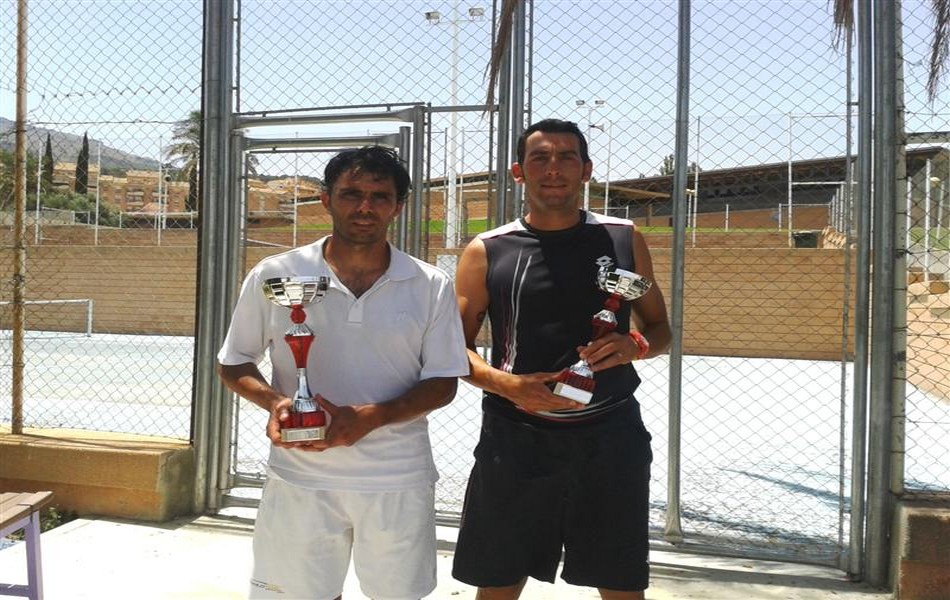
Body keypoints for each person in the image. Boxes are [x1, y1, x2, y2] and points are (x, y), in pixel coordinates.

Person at [217, 146, 469, 600]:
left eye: (379, 196)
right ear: (326, 200)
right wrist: (277, 403)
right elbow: (233, 361)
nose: (365, 207)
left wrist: (372, 416)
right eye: (351, 194)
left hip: (396, 478)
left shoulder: (430, 284)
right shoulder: (277, 274)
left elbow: (442, 383)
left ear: (398, 206)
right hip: (300, 475)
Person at [451, 119, 671, 600]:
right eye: (540, 158)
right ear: (518, 171)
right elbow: (453, 349)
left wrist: (634, 345)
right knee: (499, 581)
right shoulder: (487, 250)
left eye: (566, 157)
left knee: (620, 581)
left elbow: (660, 329)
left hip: (610, 436)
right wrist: (509, 385)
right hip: (516, 436)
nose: (554, 169)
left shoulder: (623, 238)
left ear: (586, 170)